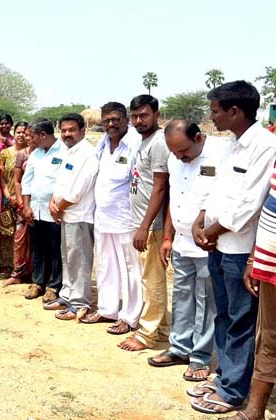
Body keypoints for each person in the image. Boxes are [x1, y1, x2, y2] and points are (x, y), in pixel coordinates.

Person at [189, 81, 276, 415]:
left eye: (215, 111)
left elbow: (249, 203)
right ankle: (224, 377)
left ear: (234, 111)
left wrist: (211, 230)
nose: (211, 117)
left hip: (240, 247)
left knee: (241, 320)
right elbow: (218, 189)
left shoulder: (265, 146)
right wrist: (201, 222)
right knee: (224, 316)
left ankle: (232, 390)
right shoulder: (233, 144)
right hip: (217, 243)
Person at [148, 119, 228, 381]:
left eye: (184, 151)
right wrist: (168, 236)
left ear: (198, 138)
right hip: (181, 241)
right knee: (181, 296)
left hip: (207, 243)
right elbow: (174, 197)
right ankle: (179, 348)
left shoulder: (221, 153)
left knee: (206, 301)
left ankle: (200, 357)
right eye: (174, 152)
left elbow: (225, 198)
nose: (180, 157)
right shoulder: (175, 159)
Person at [226, 140, 276, 420]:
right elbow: (270, 205)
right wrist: (254, 259)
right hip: (272, 266)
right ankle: (254, 411)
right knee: (270, 337)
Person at [80, 102, 143, 335]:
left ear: (126, 120)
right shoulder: (103, 144)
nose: (110, 124)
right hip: (103, 216)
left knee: (130, 269)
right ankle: (107, 309)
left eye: (116, 119)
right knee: (105, 264)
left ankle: (130, 316)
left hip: (126, 218)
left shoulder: (134, 144)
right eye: (106, 120)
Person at [118, 94, 171, 352]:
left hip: (153, 225)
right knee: (151, 278)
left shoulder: (159, 143)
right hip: (142, 222)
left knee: (153, 280)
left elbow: (160, 189)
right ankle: (162, 329)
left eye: (144, 115)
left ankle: (148, 334)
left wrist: (145, 226)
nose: (139, 120)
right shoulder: (143, 142)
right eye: (135, 116)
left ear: (156, 115)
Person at [48, 113, 98, 320]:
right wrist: (53, 201)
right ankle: (67, 295)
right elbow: (60, 182)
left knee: (79, 259)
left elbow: (78, 191)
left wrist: (58, 207)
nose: (67, 134)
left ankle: (79, 303)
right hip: (65, 213)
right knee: (67, 257)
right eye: (64, 130)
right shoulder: (68, 152)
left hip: (79, 215)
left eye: (72, 130)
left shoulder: (87, 154)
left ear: (82, 131)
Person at [21, 119, 67, 303]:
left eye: (31, 136)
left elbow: (66, 180)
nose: (28, 140)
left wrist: (59, 204)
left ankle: (54, 286)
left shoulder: (64, 151)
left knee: (55, 249)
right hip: (36, 209)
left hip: (55, 211)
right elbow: (27, 180)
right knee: (38, 248)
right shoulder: (35, 154)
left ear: (43, 135)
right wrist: (26, 205)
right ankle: (37, 282)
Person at [3, 123, 34, 286]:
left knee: (38, 240)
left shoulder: (46, 154)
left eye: (29, 134)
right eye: (24, 134)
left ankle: (37, 274)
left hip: (41, 205)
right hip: (24, 204)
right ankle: (17, 273)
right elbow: (17, 180)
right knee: (19, 239)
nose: (26, 137)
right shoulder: (22, 154)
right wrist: (22, 204)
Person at [0, 121, 28, 279]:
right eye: (18, 132)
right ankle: (6, 267)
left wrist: (20, 198)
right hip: (7, 198)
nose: (21, 135)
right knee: (5, 233)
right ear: (13, 134)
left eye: (24, 132)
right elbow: (1, 177)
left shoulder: (32, 153)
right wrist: (8, 195)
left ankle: (22, 269)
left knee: (22, 235)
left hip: (25, 200)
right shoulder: (5, 153)